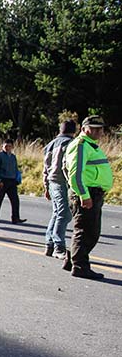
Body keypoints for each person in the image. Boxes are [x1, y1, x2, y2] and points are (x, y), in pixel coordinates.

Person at [62, 116, 114, 280]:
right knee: (87, 232)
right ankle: (80, 266)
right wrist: (84, 195)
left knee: (88, 232)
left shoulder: (90, 146)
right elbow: (75, 174)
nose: (99, 131)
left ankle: (73, 259)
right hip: (87, 193)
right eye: (94, 128)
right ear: (85, 129)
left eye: (100, 128)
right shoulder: (81, 145)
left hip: (93, 193)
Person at [42, 120, 77, 258]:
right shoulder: (70, 143)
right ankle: (58, 246)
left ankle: (49, 244)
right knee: (65, 213)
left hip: (52, 181)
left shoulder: (50, 144)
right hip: (62, 181)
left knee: (57, 213)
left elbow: (45, 167)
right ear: (74, 131)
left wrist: (46, 186)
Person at [0, 140, 26, 224]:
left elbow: (15, 168)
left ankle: (16, 218)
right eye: (6, 146)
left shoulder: (13, 157)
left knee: (15, 200)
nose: (8, 148)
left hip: (12, 181)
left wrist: (17, 179)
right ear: (2, 146)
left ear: (12, 147)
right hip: (2, 180)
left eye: (9, 146)